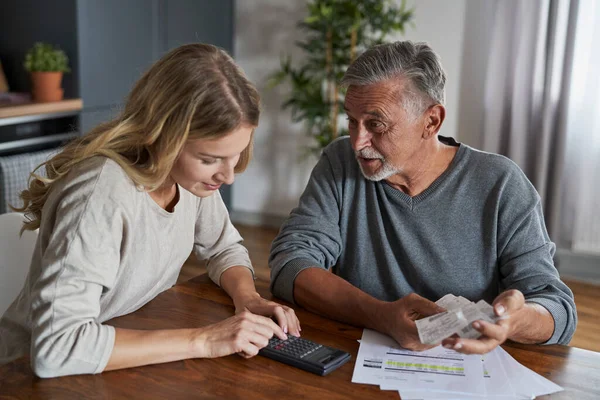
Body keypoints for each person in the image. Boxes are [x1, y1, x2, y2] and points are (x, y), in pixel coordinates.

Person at [0, 43, 300, 378]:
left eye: (236, 156)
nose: (228, 175)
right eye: (210, 159)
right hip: (23, 375)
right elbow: (58, 348)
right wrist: (204, 340)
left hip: (115, 355)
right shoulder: (101, 195)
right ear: (163, 135)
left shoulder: (189, 181)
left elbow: (224, 248)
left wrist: (248, 299)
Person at [269, 41, 576, 355]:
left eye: (376, 124)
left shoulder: (501, 183)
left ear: (431, 122)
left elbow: (557, 308)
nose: (358, 142)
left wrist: (514, 322)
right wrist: (380, 315)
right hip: (357, 360)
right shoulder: (340, 162)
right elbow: (291, 263)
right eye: (351, 120)